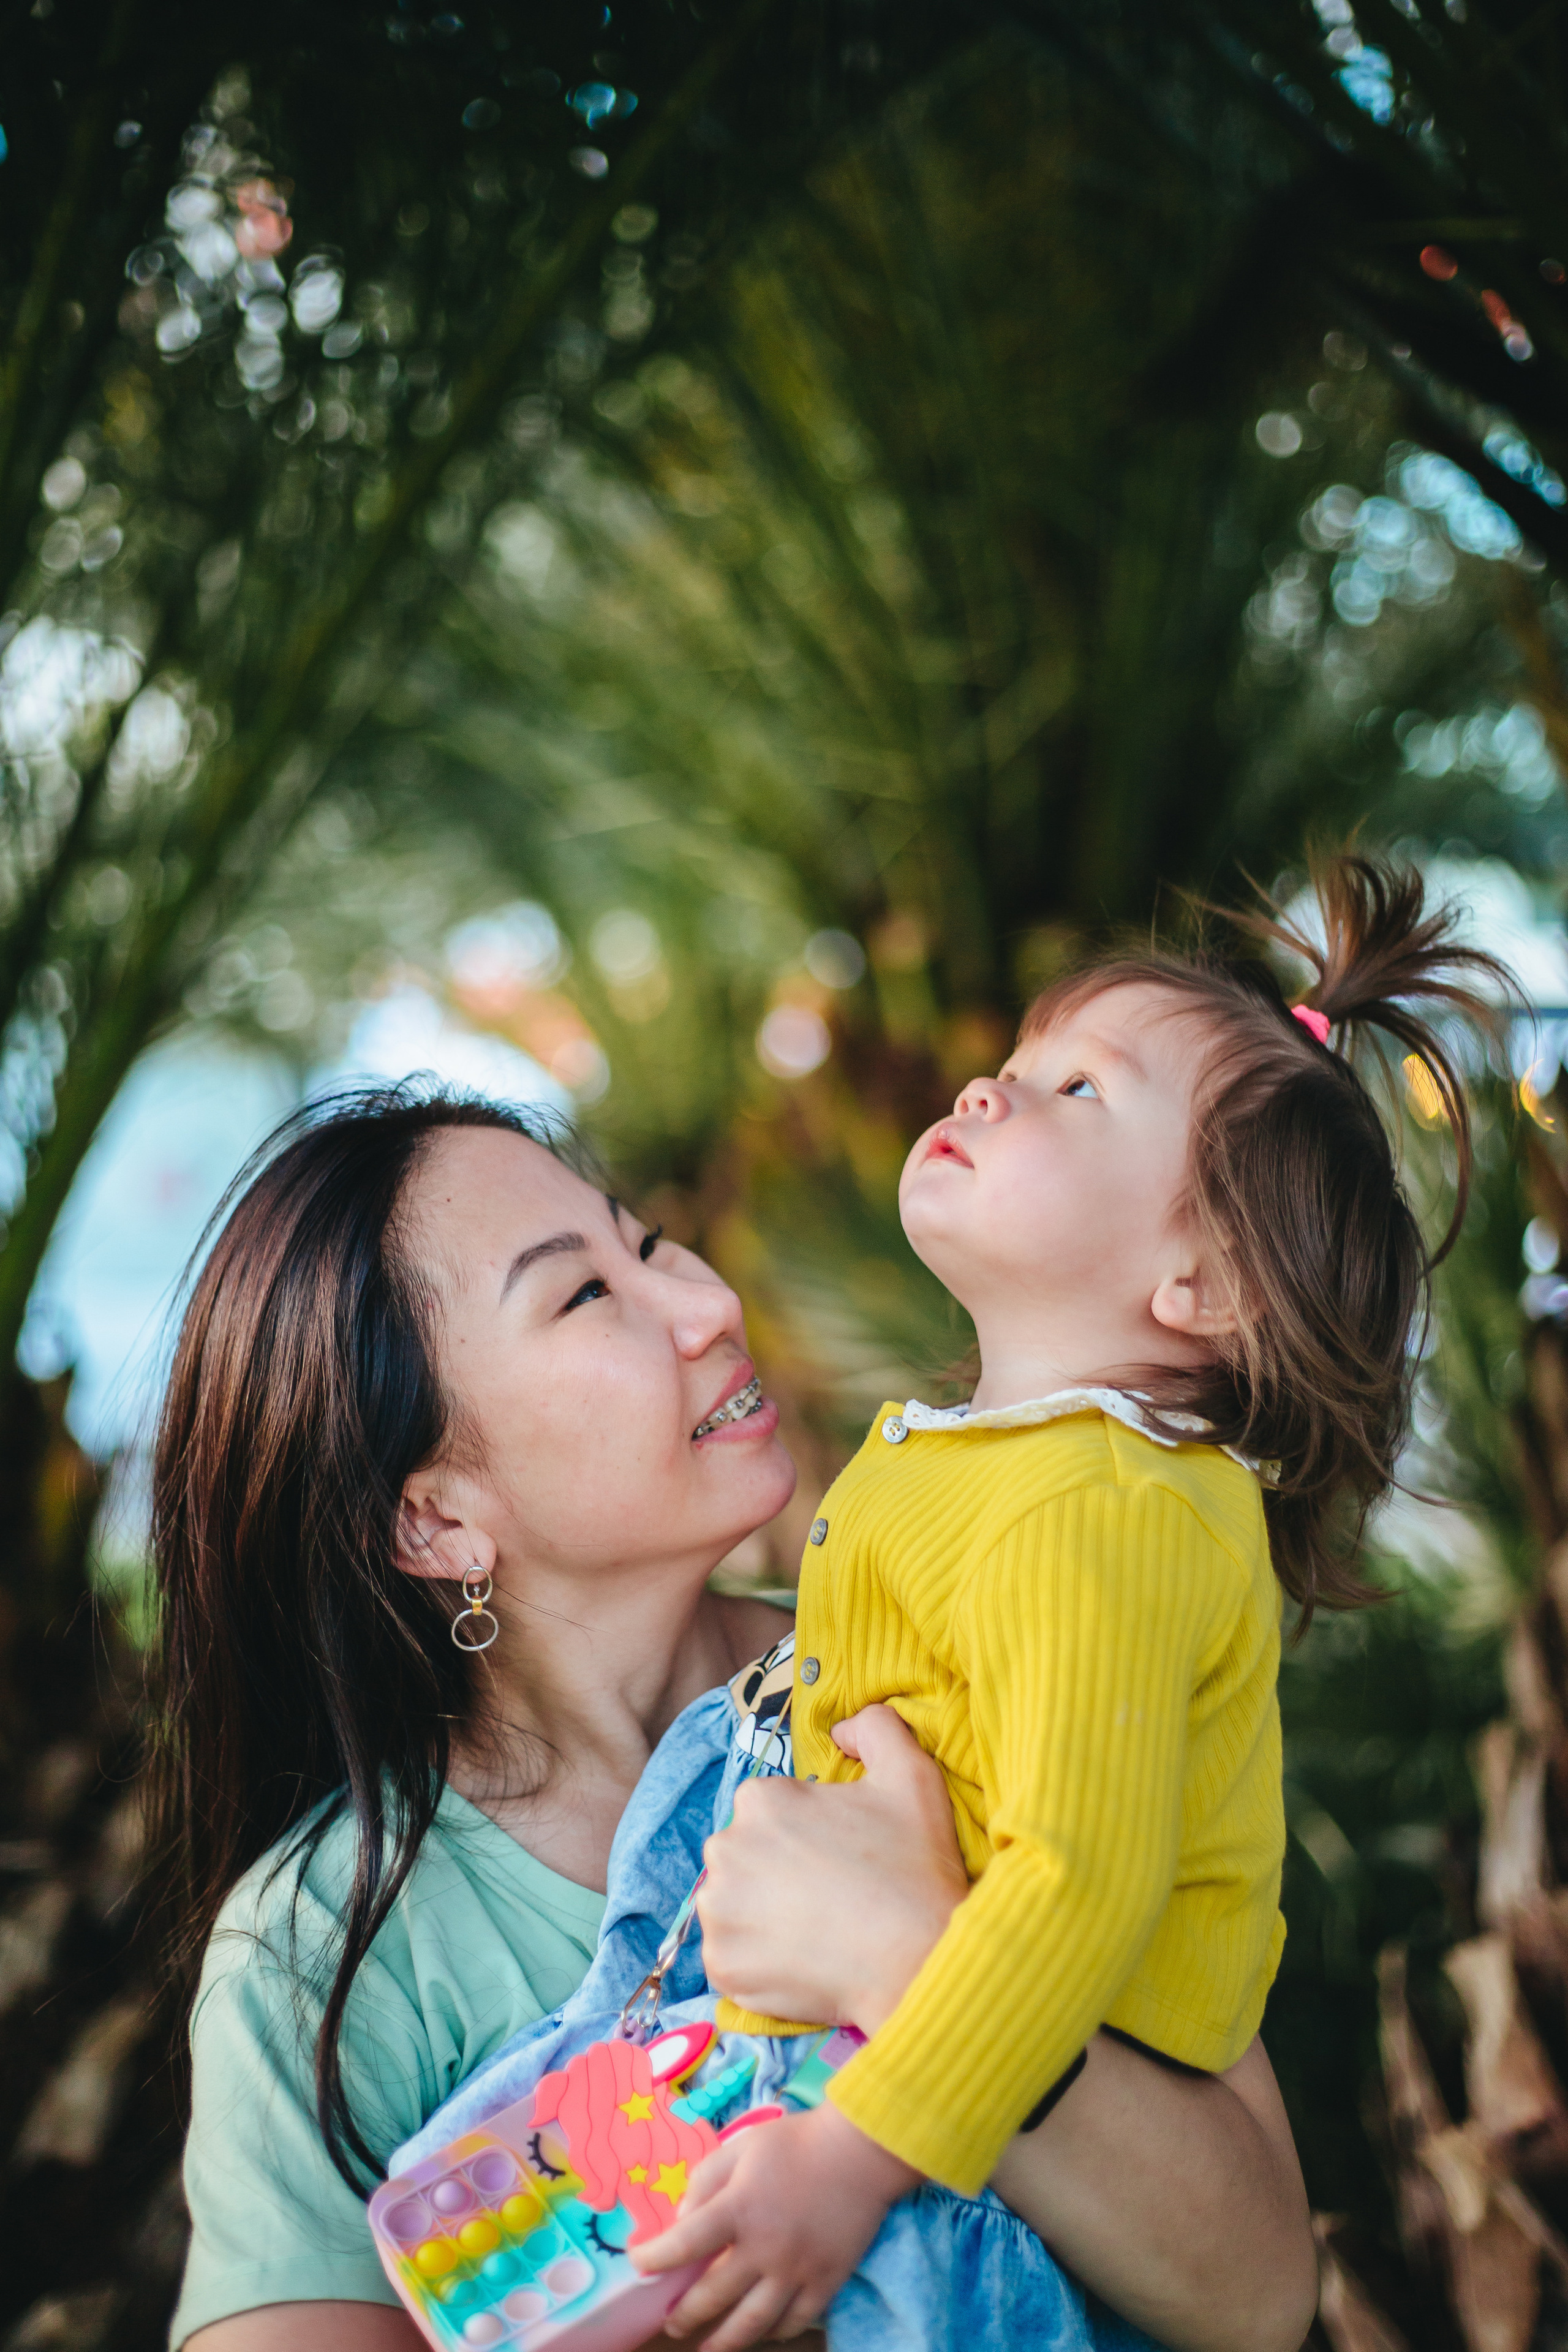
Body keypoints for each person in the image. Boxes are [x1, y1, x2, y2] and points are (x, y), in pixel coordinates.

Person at [448, 852, 1501, 2347]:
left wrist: (855, 2148)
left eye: (1081, 1094)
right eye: (1019, 1062)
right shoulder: (1008, 1471)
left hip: (976, 2187)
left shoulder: (1114, 1516)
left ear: (1200, 1286)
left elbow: (1073, 1890)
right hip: (895, 2101)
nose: (993, 1090)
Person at [149, 1088, 1317, 2352]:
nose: (707, 1304)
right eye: (584, 1294)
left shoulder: (951, 1672)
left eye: (644, 1244)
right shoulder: (321, 1953)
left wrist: (910, 1959)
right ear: (434, 1519)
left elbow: (1255, 2292)